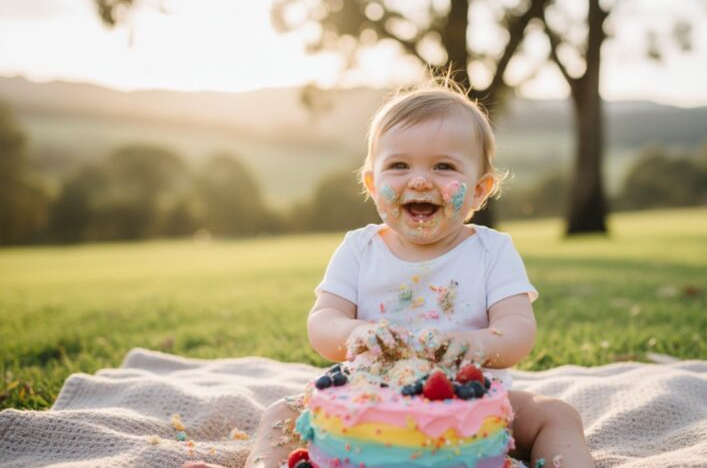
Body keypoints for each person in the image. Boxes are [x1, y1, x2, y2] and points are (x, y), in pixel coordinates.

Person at [186, 78, 594, 468]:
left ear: (479, 190)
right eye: (398, 165)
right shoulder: (359, 248)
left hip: (473, 407)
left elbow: (518, 329)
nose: (419, 179)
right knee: (281, 413)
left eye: (443, 166)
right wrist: (352, 333)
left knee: (555, 414)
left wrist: (476, 344)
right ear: (371, 181)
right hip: (365, 402)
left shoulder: (492, 250)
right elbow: (322, 321)